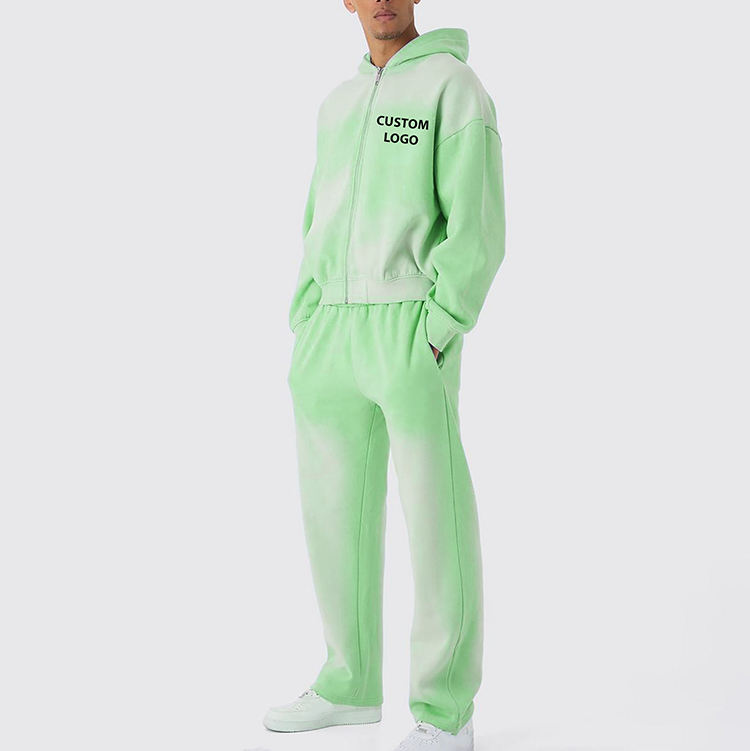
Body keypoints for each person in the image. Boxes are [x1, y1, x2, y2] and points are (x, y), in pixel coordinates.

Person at [264, 2, 506, 749]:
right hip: (330, 333)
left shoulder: (454, 87)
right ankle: (348, 682)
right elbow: (318, 215)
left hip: (408, 325)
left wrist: (439, 323)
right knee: (333, 515)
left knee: (436, 521)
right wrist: (307, 314)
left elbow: (478, 223)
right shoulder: (337, 103)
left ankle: (446, 713)